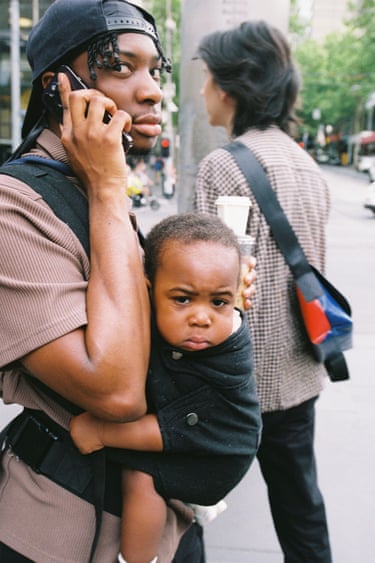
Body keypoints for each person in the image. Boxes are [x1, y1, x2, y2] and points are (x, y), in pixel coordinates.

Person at [0, 1, 214, 561]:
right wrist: (108, 185)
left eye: (154, 70)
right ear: (58, 88)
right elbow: (115, 389)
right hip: (61, 528)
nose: (151, 92)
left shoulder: (91, 183)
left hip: (162, 519)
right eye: (121, 66)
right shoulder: (14, 205)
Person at [194, 20, 332, 562]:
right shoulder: (307, 163)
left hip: (234, 378)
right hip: (299, 372)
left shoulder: (222, 166)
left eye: (206, 78)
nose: (202, 91)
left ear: (229, 87)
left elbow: (209, 288)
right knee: (301, 506)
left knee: (188, 500)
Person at [70, 212, 262, 563]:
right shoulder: (162, 321)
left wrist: (99, 431)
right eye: (183, 299)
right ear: (147, 292)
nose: (201, 318)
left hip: (217, 450)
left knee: (143, 479)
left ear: (233, 297)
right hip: (191, 430)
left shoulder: (227, 357)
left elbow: (171, 428)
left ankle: (139, 559)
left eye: (218, 302)